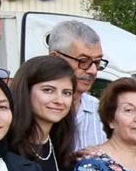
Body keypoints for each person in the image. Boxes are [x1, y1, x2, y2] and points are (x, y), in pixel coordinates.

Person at [46, 18, 109, 152]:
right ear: (55, 58)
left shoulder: (100, 113)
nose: (92, 71)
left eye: (97, 62)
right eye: (83, 61)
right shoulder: (29, 111)